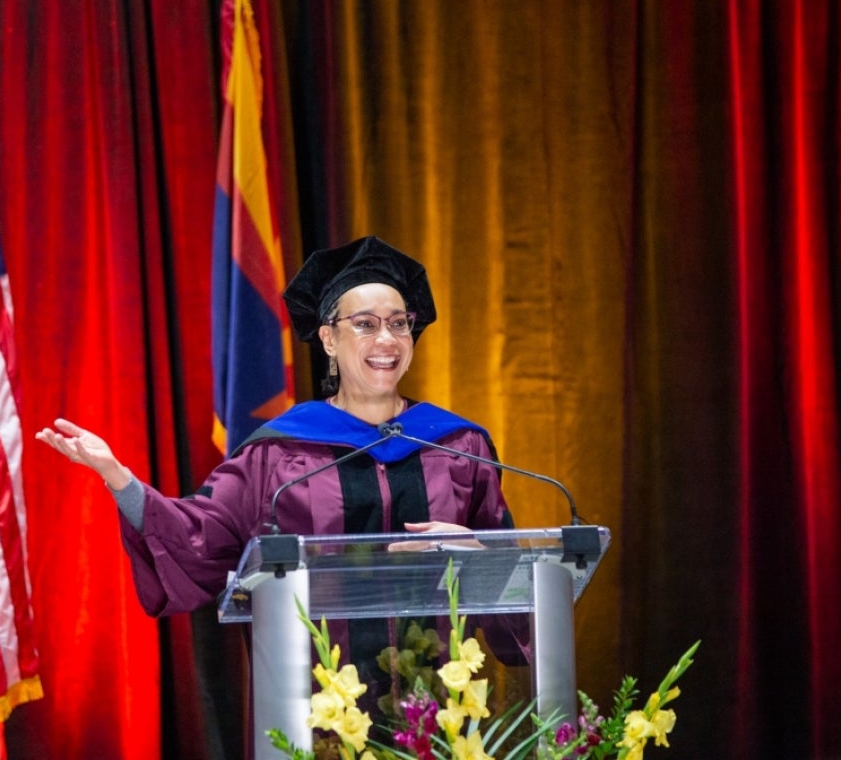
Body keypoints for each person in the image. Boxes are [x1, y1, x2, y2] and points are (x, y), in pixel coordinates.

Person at [36, 235, 516, 617]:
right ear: (328, 338)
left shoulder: (457, 446)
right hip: (314, 706)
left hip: (438, 707)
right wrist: (118, 477)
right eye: (365, 324)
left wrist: (479, 556)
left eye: (398, 323)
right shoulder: (278, 453)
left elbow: (516, 583)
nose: (386, 339)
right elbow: (201, 536)